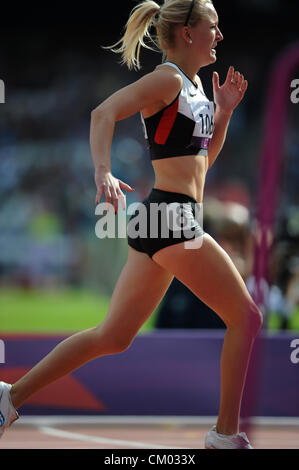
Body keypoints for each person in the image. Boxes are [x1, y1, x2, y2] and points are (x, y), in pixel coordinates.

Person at [0, 0, 263, 449]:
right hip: (171, 218)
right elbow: (102, 113)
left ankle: (9, 397)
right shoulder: (165, 79)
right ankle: (224, 435)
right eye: (213, 27)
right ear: (186, 32)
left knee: (113, 336)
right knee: (247, 317)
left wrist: (224, 115)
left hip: (166, 215)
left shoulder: (195, 87)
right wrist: (102, 170)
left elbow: (201, 166)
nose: (220, 36)